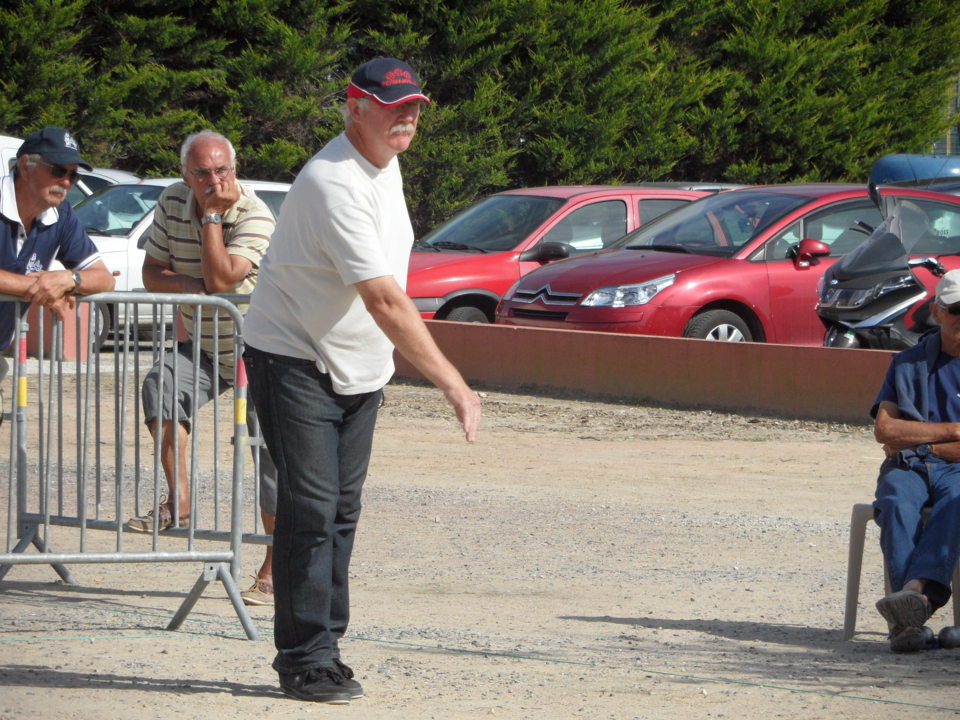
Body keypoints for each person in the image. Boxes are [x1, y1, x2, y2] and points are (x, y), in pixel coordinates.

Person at [243, 57, 482, 704]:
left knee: (342, 511)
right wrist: (453, 384)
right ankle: (303, 659)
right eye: (394, 105)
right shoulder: (331, 182)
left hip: (358, 366)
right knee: (312, 508)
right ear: (355, 107)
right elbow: (383, 299)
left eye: (415, 106)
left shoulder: (386, 161)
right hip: (292, 356)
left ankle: (328, 647)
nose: (408, 116)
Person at [124, 130, 279, 607]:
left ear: (235, 169)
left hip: (268, 350)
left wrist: (212, 217)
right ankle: (180, 501)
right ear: (184, 174)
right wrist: (191, 283)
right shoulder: (171, 201)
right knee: (161, 384)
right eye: (202, 173)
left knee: (272, 456)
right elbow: (152, 274)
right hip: (210, 347)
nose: (213, 180)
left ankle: (274, 570)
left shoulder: (254, 212)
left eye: (222, 171)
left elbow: (223, 277)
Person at [872, 268, 960, 652]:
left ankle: (913, 600)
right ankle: (914, 611)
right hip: (910, 466)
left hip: (954, 469)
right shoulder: (908, 363)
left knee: (956, 502)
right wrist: (953, 431)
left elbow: (901, 436)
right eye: (957, 310)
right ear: (938, 312)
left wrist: (920, 438)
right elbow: (887, 432)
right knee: (894, 501)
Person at [0, 127, 115, 395]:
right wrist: (38, 289)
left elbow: (105, 278)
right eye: (58, 171)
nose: (66, 182)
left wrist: (68, 279)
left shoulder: (60, 214)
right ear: (27, 166)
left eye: (72, 175)